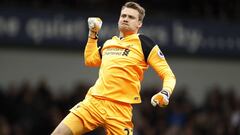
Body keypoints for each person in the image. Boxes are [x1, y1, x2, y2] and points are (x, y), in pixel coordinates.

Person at [51, 1, 176, 135]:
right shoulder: (109, 43)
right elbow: (90, 59)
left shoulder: (144, 43)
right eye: (123, 16)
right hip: (93, 102)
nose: (125, 19)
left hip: (120, 110)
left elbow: (168, 75)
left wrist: (165, 92)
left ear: (139, 24)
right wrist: (93, 34)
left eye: (131, 17)